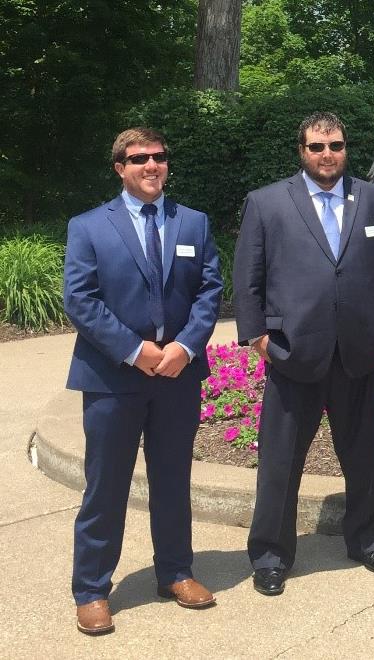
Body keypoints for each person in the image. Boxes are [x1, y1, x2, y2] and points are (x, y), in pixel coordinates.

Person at [234, 112, 374, 596]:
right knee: (280, 461)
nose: (327, 154)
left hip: (359, 353)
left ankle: (367, 538)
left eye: (335, 145)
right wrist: (258, 338)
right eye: (316, 146)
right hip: (293, 354)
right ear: (302, 150)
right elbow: (248, 278)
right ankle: (270, 555)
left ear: (346, 148)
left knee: (365, 456)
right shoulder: (267, 203)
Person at [64, 127, 223, 634]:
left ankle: (175, 572)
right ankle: (91, 589)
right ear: (120, 167)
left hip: (178, 374)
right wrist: (136, 351)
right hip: (113, 377)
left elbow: (210, 290)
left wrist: (184, 346)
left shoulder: (192, 223)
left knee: (173, 479)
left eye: (158, 157)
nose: (151, 166)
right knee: (105, 487)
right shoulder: (89, 226)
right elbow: (81, 300)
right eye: (139, 159)